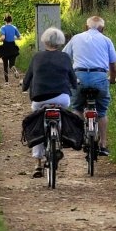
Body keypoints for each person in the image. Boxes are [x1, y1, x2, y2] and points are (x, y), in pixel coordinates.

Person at [21, 27, 78, 177]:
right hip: (62, 98)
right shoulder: (65, 57)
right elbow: (73, 80)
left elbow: (28, 78)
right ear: (60, 42)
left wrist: (24, 86)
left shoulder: (37, 57)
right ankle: (60, 137)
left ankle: (38, 163)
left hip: (39, 99)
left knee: (38, 125)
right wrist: (74, 85)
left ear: (44, 41)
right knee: (62, 113)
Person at [64, 15, 116, 156]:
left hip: (79, 78)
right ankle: (103, 144)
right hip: (99, 78)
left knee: (77, 108)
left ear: (86, 26)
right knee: (101, 111)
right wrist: (112, 79)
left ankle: (77, 137)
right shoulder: (106, 40)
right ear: (102, 29)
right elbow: (113, 67)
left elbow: (64, 58)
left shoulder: (76, 38)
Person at [0, 14, 21, 82]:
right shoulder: (14, 27)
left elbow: (3, 37)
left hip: (5, 48)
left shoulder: (3, 28)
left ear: (5, 21)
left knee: (5, 66)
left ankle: (6, 82)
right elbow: (20, 37)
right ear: (11, 20)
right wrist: (13, 37)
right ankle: (14, 70)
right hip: (13, 47)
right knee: (11, 65)